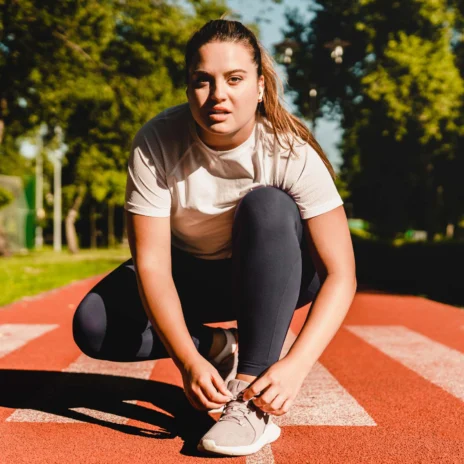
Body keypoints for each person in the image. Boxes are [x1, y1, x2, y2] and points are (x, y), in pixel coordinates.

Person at [72, 18, 357, 457]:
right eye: (202, 81)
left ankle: (249, 403)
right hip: (194, 276)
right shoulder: (156, 143)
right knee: (94, 324)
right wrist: (188, 358)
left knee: (269, 205)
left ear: (260, 87)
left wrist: (295, 365)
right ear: (188, 88)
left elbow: (341, 273)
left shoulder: (289, 150)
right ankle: (224, 345)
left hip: (278, 272)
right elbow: (152, 265)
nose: (218, 95)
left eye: (235, 79)